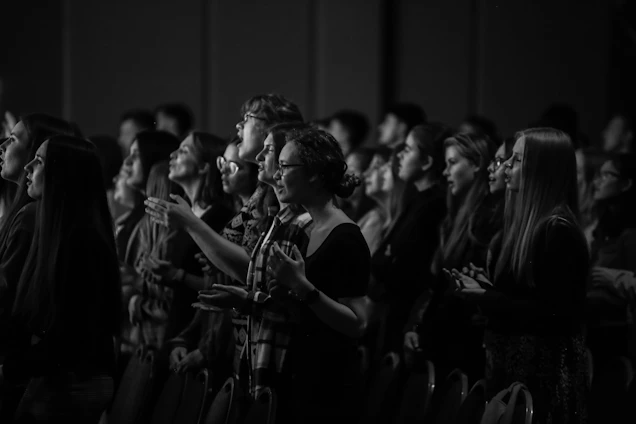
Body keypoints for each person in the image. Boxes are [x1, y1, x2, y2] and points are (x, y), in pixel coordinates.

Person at [454, 128, 589, 424]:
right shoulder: (525, 226)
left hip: (543, 385)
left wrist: (489, 297)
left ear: (540, 169)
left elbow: (555, 313)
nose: (506, 169)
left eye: (515, 160)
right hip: (514, 375)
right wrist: (487, 290)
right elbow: (526, 296)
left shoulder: (558, 231)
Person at [3, 135, 121, 422]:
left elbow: (69, 338)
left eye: (39, 161)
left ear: (63, 174)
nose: (28, 167)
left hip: (75, 382)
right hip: (59, 376)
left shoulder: (83, 241)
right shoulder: (56, 229)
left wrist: (9, 369)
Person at [265, 126, 369, 423]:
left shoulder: (346, 236)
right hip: (305, 372)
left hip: (330, 385)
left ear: (313, 173)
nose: (276, 175)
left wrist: (302, 288)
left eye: (284, 167)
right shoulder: (310, 227)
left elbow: (358, 323)